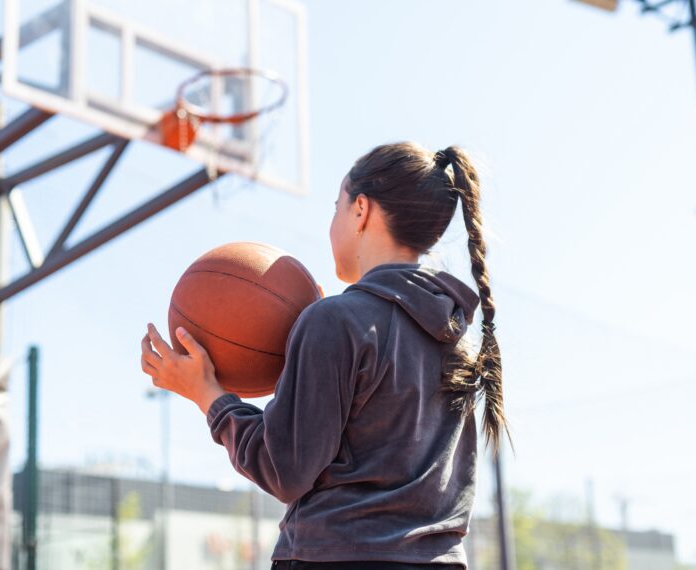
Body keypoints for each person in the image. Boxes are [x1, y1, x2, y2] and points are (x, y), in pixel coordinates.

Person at [140, 142, 511, 569]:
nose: (332, 223)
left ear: (361, 211)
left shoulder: (336, 321)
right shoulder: (457, 337)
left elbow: (285, 469)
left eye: (336, 207)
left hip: (338, 557)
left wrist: (209, 396)